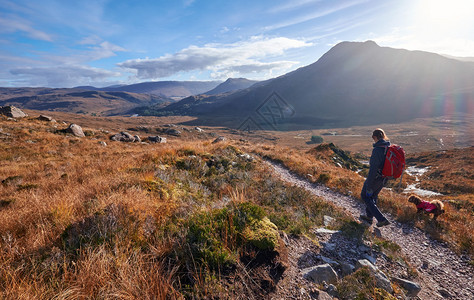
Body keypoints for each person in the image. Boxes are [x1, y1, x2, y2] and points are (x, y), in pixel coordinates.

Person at [359, 128, 391, 227]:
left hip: (376, 178)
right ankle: (369, 217)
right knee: (373, 196)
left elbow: (373, 169)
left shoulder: (377, 150)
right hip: (384, 178)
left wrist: (369, 183)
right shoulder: (388, 147)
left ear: (375, 137)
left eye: (373, 137)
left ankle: (381, 219)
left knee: (365, 195)